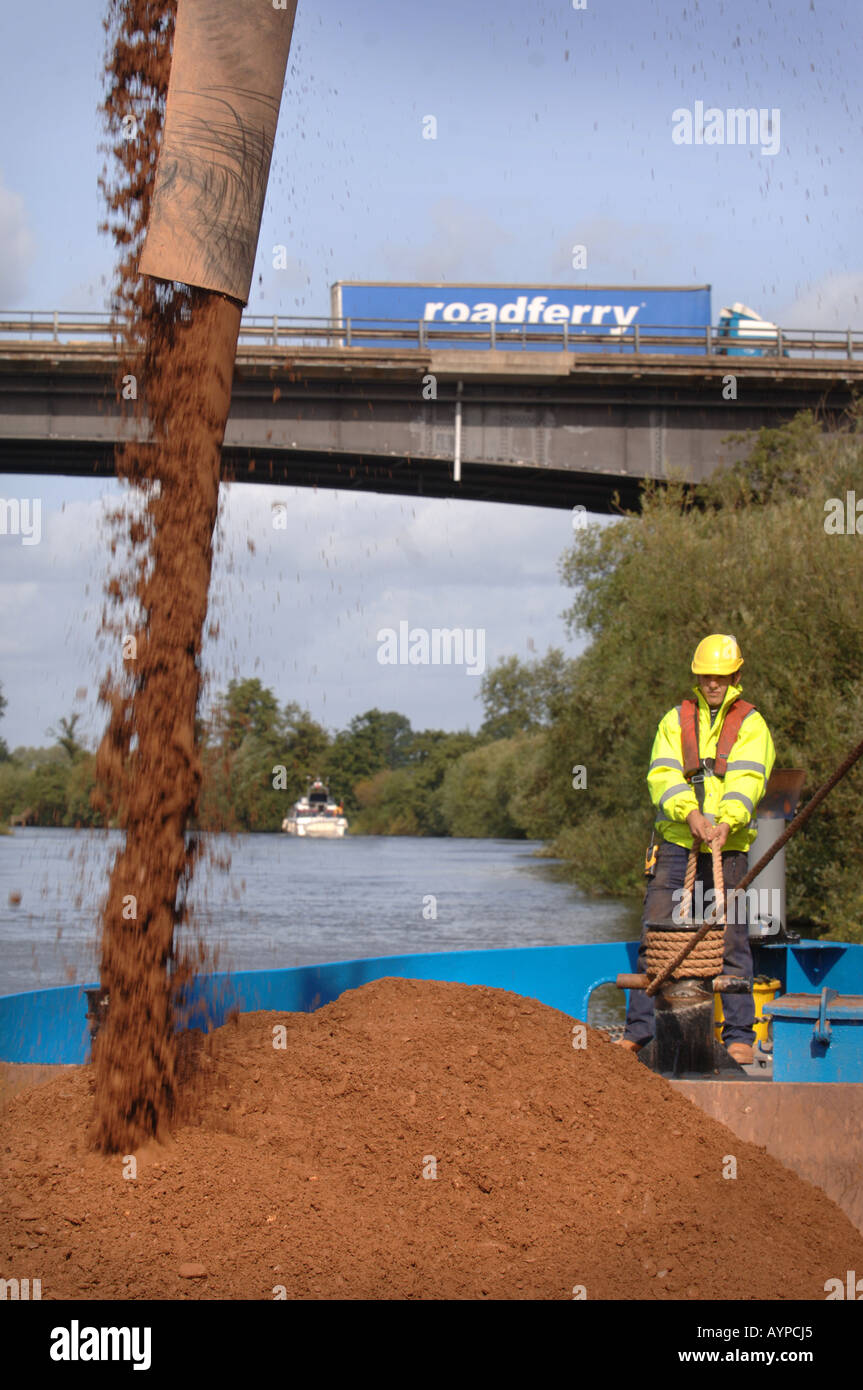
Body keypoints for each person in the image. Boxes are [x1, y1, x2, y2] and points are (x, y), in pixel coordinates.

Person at [616, 634, 776, 1065]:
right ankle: (640, 1032)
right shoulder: (675, 720)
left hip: (729, 846)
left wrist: (724, 822)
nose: (713, 683)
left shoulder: (753, 725)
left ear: (736, 676)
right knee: (657, 939)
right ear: (697, 676)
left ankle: (739, 1033)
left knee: (732, 942)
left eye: (722, 677)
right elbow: (662, 775)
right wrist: (690, 815)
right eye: (707, 676)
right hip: (675, 844)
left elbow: (750, 780)